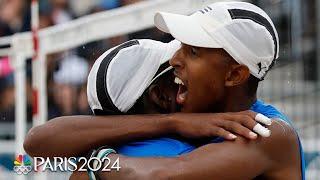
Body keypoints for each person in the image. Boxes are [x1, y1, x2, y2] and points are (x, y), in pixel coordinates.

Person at [91, 2, 304, 180]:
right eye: (180, 46)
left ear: (234, 75)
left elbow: (161, 175)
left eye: (193, 52)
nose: (174, 60)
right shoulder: (194, 122)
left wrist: (95, 162)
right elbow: (57, 134)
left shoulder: (269, 134)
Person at [24, 39, 268, 159]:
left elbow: (36, 143)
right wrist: (172, 121)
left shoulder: (105, 154)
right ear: (160, 95)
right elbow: (36, 142)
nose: (179, 64)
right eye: (173, 71)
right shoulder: (177, 156)